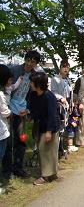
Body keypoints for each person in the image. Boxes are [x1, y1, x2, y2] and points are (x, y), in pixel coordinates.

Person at [2, 50, 41, 178]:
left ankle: (18, 167)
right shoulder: (13, 69)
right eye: (28, 60)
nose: (30, 63)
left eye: (33, 62)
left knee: (21, 138)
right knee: (7, 139)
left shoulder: (35, 76)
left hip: (22, 110)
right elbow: (4, 86)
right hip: (7, 109)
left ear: (36, 64)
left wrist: (29, 111)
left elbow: (34, 95)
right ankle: (7, 170)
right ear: (25, 59)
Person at [28, 72, 60, 185]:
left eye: (31, 82)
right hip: (39, 125)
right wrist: (30, 115)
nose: (30, 84)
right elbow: (34, 109)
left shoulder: (49, 96)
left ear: (38, 83)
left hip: (50, 127)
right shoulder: (33, 95)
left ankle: (45, 176)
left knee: (46, 150)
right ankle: (52, 174)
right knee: (44, 151)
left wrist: (49, 131)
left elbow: (52, 115)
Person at [51, 60, 77, 152]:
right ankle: (57, 148)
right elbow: (53, 92)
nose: (66, 69)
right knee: (59, 126)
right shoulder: (55, 79)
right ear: (60, 68)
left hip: (67, 106)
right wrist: (61, 98)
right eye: (64, 67)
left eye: (67, 67)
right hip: (59, 106)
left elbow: (70, 93)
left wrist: (71, 104)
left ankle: (61, 147)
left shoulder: (68, 79)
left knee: (65, 125)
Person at [0, 65, 12, 192]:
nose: (10, 82)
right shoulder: (1, 95)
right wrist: (12, 112)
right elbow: (5, 113)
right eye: (9, 79)